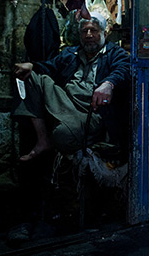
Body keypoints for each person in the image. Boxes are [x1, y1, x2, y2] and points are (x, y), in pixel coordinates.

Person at [13, 14, 130, 161]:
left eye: (93, 30)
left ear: (104, 34)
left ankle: (64, 130)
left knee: (62, 135)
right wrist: (32, 66)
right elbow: (50, 67)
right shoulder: (71, 53)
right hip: (66, 101)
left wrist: (108, 84)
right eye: (84, 31)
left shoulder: (115, 53)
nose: (88, 35)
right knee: (29, 77)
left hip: (90, 112)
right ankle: (43, 140)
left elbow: (125, 69)